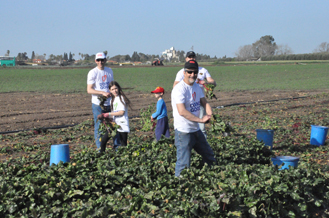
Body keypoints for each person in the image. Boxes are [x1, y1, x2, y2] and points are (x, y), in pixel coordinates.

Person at [171, 60, 217, 177]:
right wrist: (201, 120)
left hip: (195, 130)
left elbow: (204, 102)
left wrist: (210, 115)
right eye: (190, 72)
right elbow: (182, 111)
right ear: (184, 72)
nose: (192, 75)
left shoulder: (196, 86)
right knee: (183, 164)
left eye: (195, 72)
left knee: (209, 156)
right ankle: (179, 187)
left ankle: (214, 178)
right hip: (184, 131)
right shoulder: (179, 89)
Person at [173, 51, 216, 138]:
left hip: (199, 99)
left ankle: (202, 140)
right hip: (188, 101)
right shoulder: (182, 72)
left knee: (201, 127)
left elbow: (213, 82)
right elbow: (175, 86)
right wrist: (190, 82)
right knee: (190, 125)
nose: (191, 58)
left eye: (193, 57)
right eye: (189, 57)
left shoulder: (203, 70)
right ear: (186, 59)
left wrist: (205, 83)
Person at [87, 52, 113, 150]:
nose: (100, 62)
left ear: (105, 60)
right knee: (99, 126)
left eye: (102, 60)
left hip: (109, 103)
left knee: (111, 126)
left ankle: (114, 146)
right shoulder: (92, 72)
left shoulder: (109, 71)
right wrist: (102, 93)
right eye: (98, 60)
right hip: (98, 104)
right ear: (95, 61)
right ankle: (100, 149)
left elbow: (111, 86)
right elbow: (89, 90)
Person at [97, 81, 131, 151]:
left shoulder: (121, 98)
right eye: (112, 89)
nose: (114, 91)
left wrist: (108, 114)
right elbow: (114, 113)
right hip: (114, 124)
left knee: (123, 144)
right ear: (110, 91)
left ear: (118, 88)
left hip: (122, 124)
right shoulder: (112, 100)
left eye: (115, 88)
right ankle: (100, 155)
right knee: (103, 140)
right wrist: (104, 117)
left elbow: (121, 112)